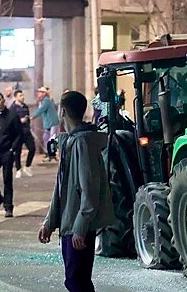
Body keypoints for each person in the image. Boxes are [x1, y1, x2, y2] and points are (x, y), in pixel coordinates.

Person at [38, 91, 115, 292]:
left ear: (62, 111)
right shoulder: (71, 142)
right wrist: (50, 221)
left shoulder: (82, 143)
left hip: (77, 227)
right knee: (75, 280)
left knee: (76, 281)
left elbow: (90, 188)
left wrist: (81, 226)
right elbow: (61, 187)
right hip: (69, 223)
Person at [31, 86, 60, 162]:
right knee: (45, 138)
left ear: (44, 94)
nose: (38, 94)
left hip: (53, 122)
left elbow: (40, 110)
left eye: (40, 92)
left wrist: (32, 117)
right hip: (48, 124)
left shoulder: (46, 101)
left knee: (51, 139)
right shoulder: (43, 101)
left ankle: (52, 155)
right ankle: (49, 154)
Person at [10, 90, 35, 178]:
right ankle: (18, 169)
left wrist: (28, 120)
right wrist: (20, 121)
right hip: (17, 133)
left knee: (32, 148)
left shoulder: (25, 106)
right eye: (20, 95)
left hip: (26, 131)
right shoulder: (12, 108)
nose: (22, 97)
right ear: (16, 97)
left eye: (23, 95)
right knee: (17, 152)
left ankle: (27, 166)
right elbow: (11, 121)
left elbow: (27, 116)